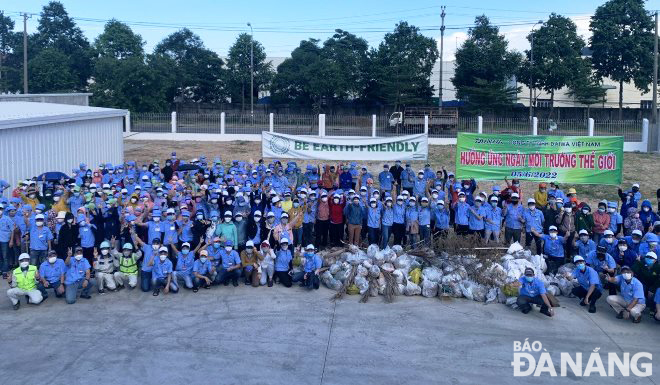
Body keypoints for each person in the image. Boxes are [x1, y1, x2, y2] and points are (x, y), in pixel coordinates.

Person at [631, 251, 659, 316]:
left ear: (655, 260)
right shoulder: (642, 263)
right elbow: (633, 269)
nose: (649, 259)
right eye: (647, 257)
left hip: (654, 285)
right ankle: (639, 306)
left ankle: (652, 309)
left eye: (651, 258)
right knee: (640, 290)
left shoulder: (658, 267)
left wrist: (652, 289)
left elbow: (658, 280)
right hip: (643, 283)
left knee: (654, 293)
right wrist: (637, 262)